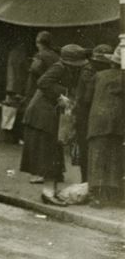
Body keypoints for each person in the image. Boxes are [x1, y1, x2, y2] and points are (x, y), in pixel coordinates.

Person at [20, 43, 88, 205]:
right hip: (42, 116)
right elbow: (42, 82)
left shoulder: (65, 68)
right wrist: (62, 96)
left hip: (46, 116)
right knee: (49, 154)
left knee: (52, 154)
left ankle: (50, 191)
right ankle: (48, 193)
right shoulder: (59, 67)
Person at [86, 46, 124, 207]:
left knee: (97, 156)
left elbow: (87, 98)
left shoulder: (98, 76)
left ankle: (96, 196)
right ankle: (114, 195)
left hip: (98, 121)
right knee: (115, 157)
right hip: (118, 122)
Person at [73, 44, 114, 183]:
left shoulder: (92, 71)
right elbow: (86, 98)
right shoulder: (89, 72)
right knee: (86, 151)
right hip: (85, 115)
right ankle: (86, 182)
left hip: (92, 114)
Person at [25, 31, 60, 102]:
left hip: (40, 94)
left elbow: (32, 76)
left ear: (38, 43)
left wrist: (27, 96)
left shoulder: (39, 56)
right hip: (54, 93)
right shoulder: (57, 56)